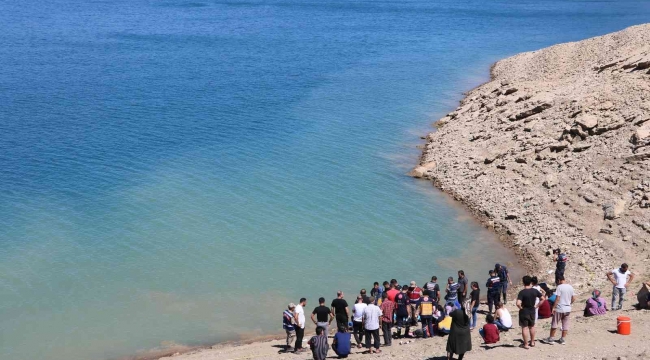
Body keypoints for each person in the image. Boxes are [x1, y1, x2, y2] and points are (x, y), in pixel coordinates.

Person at [541, 275, 575, 345]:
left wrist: (553, 307)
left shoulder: (559, 287)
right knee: (565, 324)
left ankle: (551, 338)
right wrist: (569, 303)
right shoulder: (570, 287)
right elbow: (574, 298)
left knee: (555, 323)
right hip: (567, 308)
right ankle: (562, 339)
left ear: (559, 280)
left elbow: (557, 298)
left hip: (560, 308)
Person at [516, 276, 544, 349]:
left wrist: (520, 308)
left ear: (523, 282)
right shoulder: (534, 291)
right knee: (532, 327)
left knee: (524, 328)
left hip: (524, 311)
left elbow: (518, 303)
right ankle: (532, 342)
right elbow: (543, 299)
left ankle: (525, 344)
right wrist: (537, 306)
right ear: (530, 282)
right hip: (532, 310)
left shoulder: (522, 292)